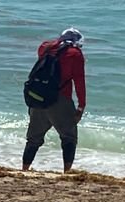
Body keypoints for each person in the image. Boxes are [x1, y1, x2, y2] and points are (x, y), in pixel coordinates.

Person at [23, 27, 88, 173]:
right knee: (69, 137)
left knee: (33, 139)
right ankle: (67, 172)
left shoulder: (45, 48)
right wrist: (81, 106)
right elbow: (79, 81)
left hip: (38, 97)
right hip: (60, 100)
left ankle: (24, 170)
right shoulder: (75, 54)